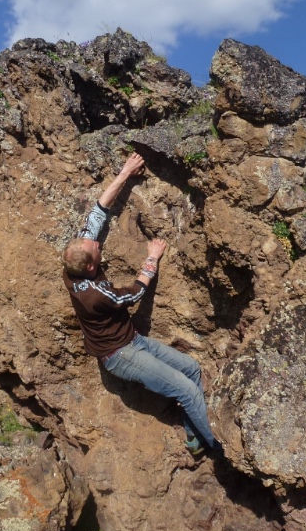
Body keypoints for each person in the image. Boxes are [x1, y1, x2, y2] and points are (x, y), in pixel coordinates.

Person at [61, 152, 221, 456]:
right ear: (92, 267)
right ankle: (215, 448)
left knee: (192, 368)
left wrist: (124, 173)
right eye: (96, 248)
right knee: (186, 391)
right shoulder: (93, 294)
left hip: (134, 341)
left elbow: (97, 212)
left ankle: (195, 436)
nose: (96, 242)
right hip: (120, 355)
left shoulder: (74, 264)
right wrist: (152, 258)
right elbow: (132, 294)